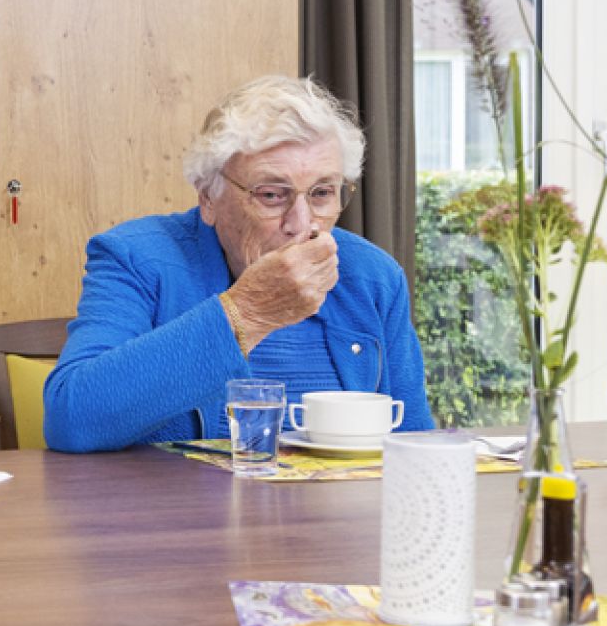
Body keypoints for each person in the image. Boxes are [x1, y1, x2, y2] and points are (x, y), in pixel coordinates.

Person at [43, 75, 433, 452]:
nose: (301, 224)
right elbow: (71, 421)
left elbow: (415, 443)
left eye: (322, 193)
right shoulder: (136, 259)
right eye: (271, 195)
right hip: (182, 516)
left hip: (335, 516)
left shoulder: (373, 278)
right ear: (209, 199)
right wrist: (247, 313)